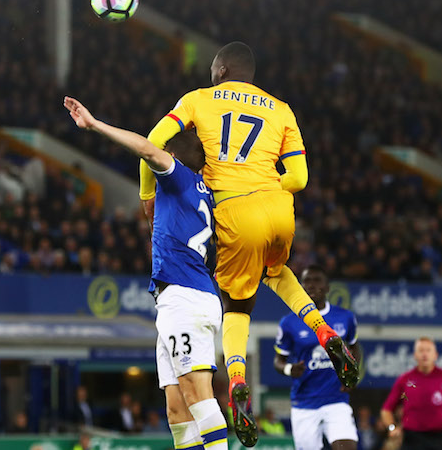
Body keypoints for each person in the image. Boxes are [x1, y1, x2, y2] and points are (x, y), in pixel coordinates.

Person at [137, 41, 358, 446]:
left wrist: (146, 196)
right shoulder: (282, 108)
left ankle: (237, 379)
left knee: (237, 304)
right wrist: (269, 186)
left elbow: (153, 140)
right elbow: (301, 178)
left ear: (220, 69)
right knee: (276, 271)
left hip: (235, 212)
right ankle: (325, 332)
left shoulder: (198, 99)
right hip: (278, 207)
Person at [64, 96, 228, 450]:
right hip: (180, 297)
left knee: (198, 396)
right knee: (176, 408)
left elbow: (145, 147)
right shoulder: (202, 193)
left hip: (185, 296)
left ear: (175, 157)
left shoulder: (179, 177)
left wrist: (94, 124)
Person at [274, 265, 362, 450]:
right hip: (304, 403)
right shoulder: (288, 322)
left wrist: (352, 375)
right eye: (306, 281)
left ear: (328, 287)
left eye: (317, 280)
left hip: (336, 399)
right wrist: (289, 369)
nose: (311, 285)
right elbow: (278, 361)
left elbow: (354, 348)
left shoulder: (345, 317)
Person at [381, 337, 442, 450]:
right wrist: (392, 427)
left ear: (435, 355)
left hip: (438, 438)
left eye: (428, 350)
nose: (424, 354)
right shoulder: (405, 379)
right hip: (411, 438)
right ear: (415, 355)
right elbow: (386, 409)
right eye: (421, 350)